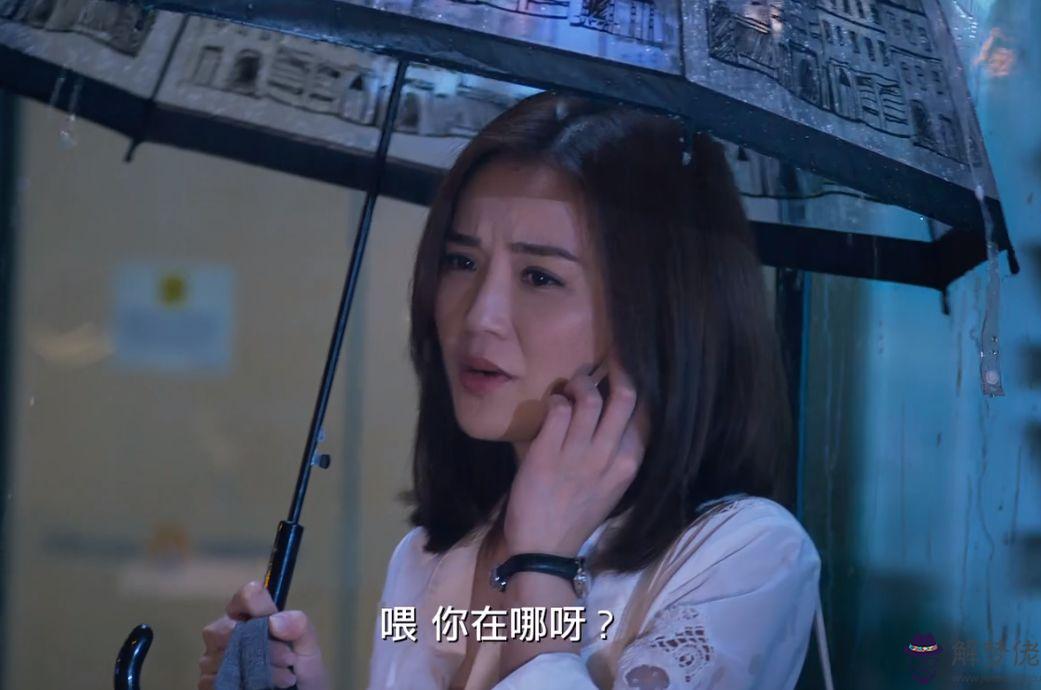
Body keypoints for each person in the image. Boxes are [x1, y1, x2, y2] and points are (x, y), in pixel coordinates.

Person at [198, 90, 822, 690]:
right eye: (461, 262)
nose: (481, 316)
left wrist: (542, 564)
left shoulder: (745, 554)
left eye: (540, 276)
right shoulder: (428, 555)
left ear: (661, 313)